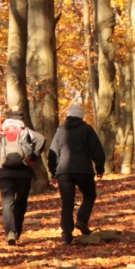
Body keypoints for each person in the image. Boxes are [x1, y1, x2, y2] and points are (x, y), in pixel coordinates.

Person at [0, 114, 46, 245]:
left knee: (7, 202)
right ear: (22, 120)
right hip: (24, 172)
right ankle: (17, 232)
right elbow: (41, 139)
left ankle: (10, 232)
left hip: (3, 172)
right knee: (20, 203)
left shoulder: (1, 132)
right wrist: (33, 158)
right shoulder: (25, 131)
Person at [48, 103, 106, 245]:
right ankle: (82, 220)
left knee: (67, 203)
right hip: (83, 170)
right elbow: (96, 149)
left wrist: (53, 172)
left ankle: (66, 236)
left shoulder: (60, 131)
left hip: (64, 172)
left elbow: (52, 154)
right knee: (89, 195)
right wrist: (100, 168)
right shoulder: (86, 129)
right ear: (81, 116)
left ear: (68, 116)